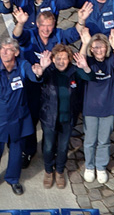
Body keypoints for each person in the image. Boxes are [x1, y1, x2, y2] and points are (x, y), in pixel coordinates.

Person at [0, 38, 38, 196]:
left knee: (16, 151)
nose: (4, 52)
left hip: (18, 118)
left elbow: (34, 76)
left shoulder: (23, 65)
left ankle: (13, 179)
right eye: (2, 48)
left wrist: (40, 70)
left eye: (8, 49)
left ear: (16, 53)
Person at [29, 44, 82, 189]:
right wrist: (41, 70)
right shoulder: (49, 72)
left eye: (64, 58)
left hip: (67, 118)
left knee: (63, 148)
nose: (61, 61)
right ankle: (48, 171)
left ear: (69, 59)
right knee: (48, 147)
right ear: (53, 59)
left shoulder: (74, 72)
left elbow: (84, 85)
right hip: (49, 118)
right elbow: (39, 78)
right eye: (58, 58)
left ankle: (59, 171)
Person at [74, 31, 114, 184]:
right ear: (91, 49)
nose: (99, 50)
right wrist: (85, 43)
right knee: (89, 140)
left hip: (108, 107)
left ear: (106, 48)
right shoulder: (88, 61)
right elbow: (80, 61)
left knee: (104, 140)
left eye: (101, 47)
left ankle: (101, 167)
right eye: (95, 47)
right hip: (91, 108)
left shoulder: (110, 60)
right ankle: (89, 166)